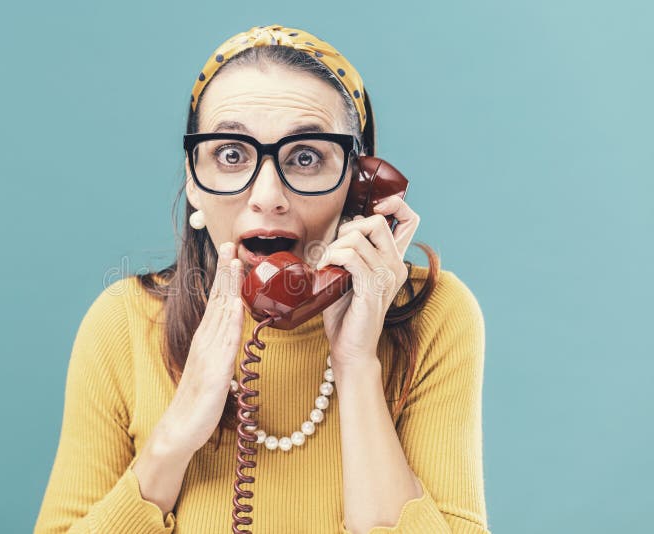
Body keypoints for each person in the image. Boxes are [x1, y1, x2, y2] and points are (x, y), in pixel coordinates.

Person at [34, 24, 490, 534]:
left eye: (306, 157)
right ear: (193, 182)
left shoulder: (436, 315)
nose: (268, 195)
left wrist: (357, 363)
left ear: (359, 186)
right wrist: (174, 438)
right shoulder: (123, 322)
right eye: (231, 154)